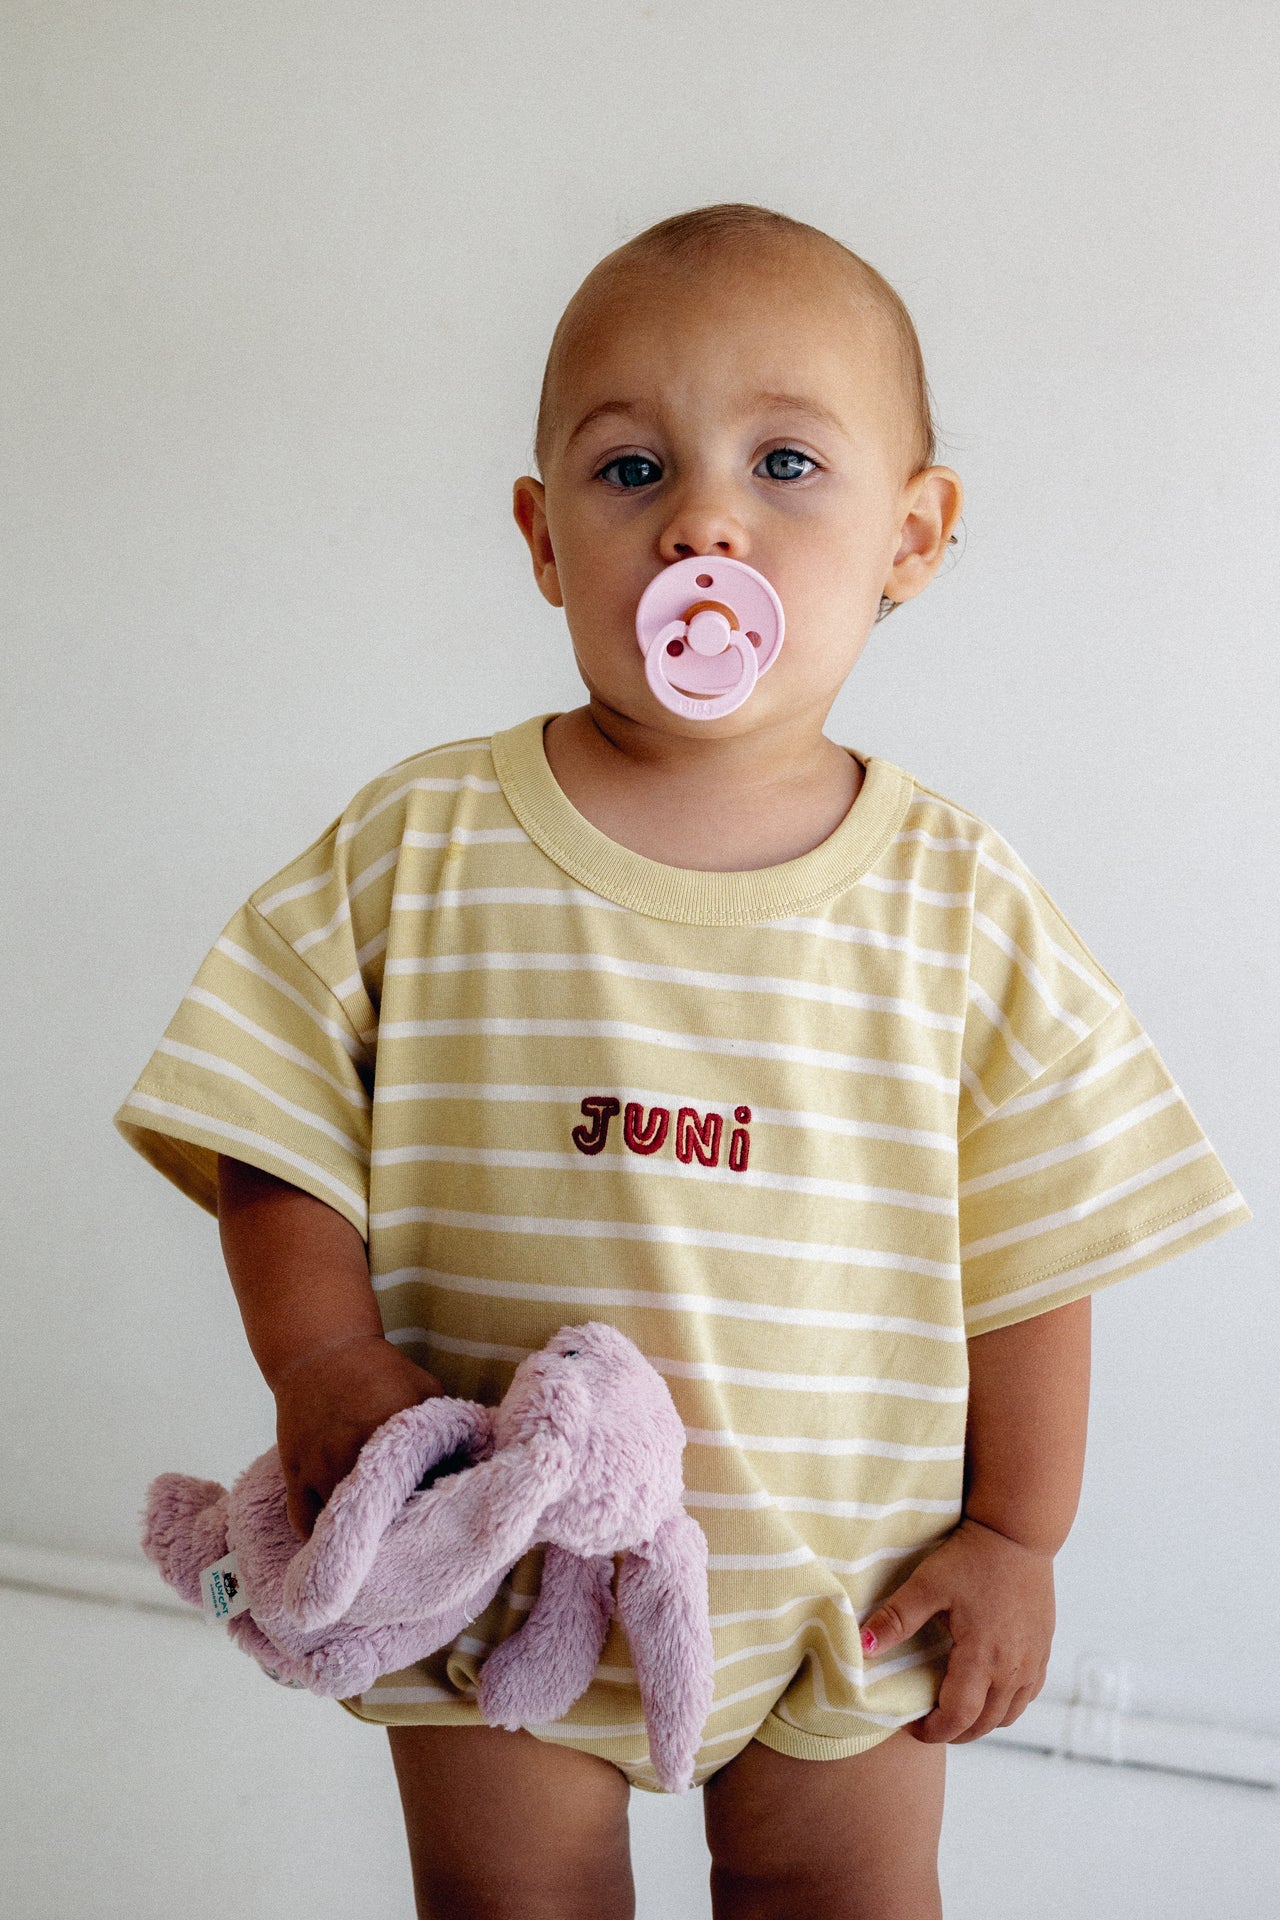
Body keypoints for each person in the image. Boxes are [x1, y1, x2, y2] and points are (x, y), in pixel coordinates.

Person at [114, 204, 1250, 1919]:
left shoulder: (963, 906)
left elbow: (1039, 1247)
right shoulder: (418, 846)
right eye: (632, 470)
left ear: (914, 538)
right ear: (543, 537)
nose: (706, 522)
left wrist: (1018, 1537)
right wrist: (322, 1358)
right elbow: (268, 1119)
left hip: (847, 1575)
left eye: (787, 462)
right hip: (500, 1539)